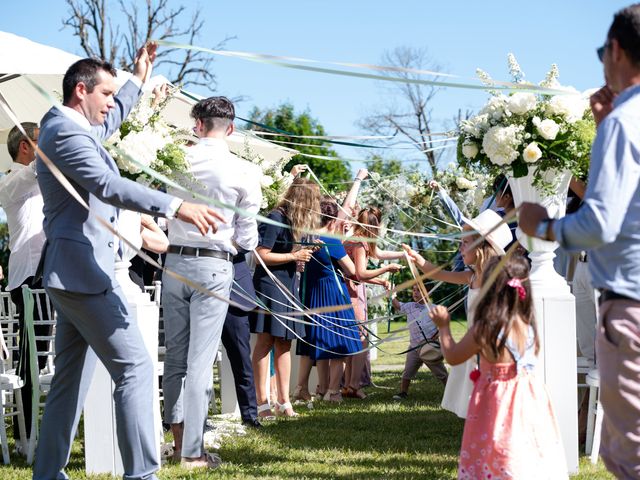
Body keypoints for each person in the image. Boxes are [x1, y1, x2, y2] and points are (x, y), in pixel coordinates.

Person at [33, 46, 224, 480]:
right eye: (106, 94)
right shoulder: (64, 133)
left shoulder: (74, 127)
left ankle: (46, 474)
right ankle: (142, 475)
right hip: (84, 272)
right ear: (81, 91)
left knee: (69, 381)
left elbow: (112, 118)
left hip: (72, 272)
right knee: (135, 368)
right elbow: (106, 183)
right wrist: (177, 205)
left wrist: (138, 78)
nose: (110, 104)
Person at [519, 5, 640, 477]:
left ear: (614, 50)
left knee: (628, 455)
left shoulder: (623, 125)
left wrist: (542, 226)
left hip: (630, 303)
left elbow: (600, 225)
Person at [162, 96, 262, 468]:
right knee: (200, 361)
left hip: (173, 261)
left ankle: (177, 443)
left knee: (175, 357)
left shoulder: (173, 161)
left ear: (197, 124)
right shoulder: (243, 171)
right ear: (231, 128)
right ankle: (192, 452)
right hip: (214, 265)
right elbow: (248, 238)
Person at [430, 255, 567, 479]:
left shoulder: (485, 329)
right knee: (525, 450)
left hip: (498, 402)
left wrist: (444, 327)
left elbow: (453, 357)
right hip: (531, 400)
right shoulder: (527, 325)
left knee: (496, 451)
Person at [404, 209, 512, 418]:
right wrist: (418, 259)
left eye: (464, 242)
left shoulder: (497, 280)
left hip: (490, 346)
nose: (460, 247)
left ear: (480, 246)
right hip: (473, 344)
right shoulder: (470, 277)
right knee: (475, 399)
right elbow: (440, 274)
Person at [250, 177, 320, 418]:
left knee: (284, 343)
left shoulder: (292, 222)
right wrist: (294, 256)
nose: (316, 206)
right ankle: (262, 404)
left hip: (288, 285)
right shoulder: (275, 218)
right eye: (313, 201)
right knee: (266, 342)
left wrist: (303, 253)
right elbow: (260, 255)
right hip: (269, 286)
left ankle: (283, 401)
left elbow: (288, 253)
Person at [0, 122, 47, 451]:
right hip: (30, 278)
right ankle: (25, 436)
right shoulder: (13, 180)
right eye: (44, 140)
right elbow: (35, 172)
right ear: (26, 147)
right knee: (31, 358)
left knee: (40, 355)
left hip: (50, 273)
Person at [295, 197, 361, 403]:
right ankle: (333, 391)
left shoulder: (305, 239)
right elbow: (352, 271)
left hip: (311, 297)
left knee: (314, 343)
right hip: (333, 295)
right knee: (338, 343)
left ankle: (305, 388)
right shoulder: (331, 241)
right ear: (332, 220)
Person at [343, 206, 404, 399]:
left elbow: (376, 255)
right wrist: (385, 270)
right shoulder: (360, 243)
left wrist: (402, 255)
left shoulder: (358, 239)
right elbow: (360, 273)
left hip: (350, 289)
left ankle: (348, 384)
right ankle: (353, 385)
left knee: (354, 338)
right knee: (362, 340)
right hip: (351, 293)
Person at [391, 284, 448, 401]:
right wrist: (391, 295)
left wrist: (436, 336)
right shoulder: (409, 306)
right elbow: (397, 305)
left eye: (419, 290)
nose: (415, 293)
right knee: (407, 372)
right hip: (414, 348)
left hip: (429, 348)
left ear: (428, 293)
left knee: (441, 373)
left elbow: (442, 327)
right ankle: (403, 392)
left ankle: (451, 392)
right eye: (414, 290)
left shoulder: (435, 309)